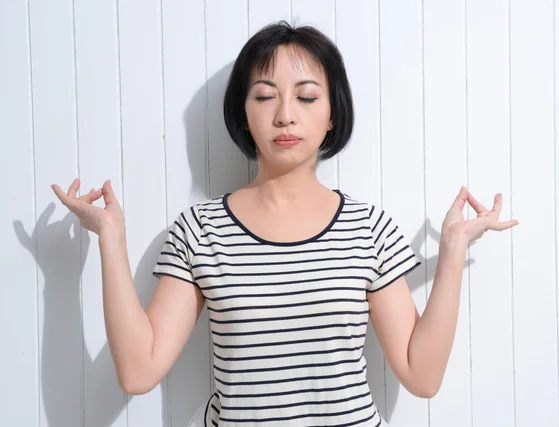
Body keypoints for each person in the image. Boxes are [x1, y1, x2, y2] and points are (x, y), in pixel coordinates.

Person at [51, 21, 519, 427]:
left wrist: (453, 247)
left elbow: (422, 375)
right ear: (244, 114)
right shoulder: (201, 230)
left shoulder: (368, 228)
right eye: (265, 96)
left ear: (332, 114)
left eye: (307, 96)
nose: (285, 115)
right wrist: (110, 238)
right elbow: (138, 371)